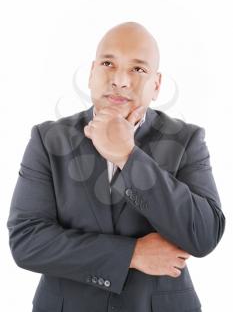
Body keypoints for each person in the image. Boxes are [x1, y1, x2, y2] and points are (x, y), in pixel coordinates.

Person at [7, 21, 225, 312]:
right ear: (91, 73)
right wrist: (132, 255)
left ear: (156, 85)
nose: (120, 80)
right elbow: (28, 242)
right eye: (108, 63)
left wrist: (127, 156)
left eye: (138, 69)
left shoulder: (187, 140)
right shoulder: (48, 139)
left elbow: (203, 235)